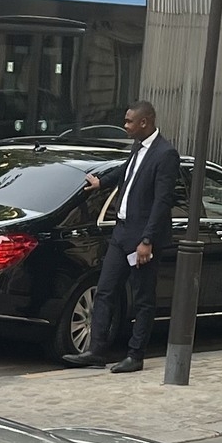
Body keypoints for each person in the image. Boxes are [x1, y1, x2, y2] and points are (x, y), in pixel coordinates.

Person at [65, 100, 179, 373]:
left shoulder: (165, 154)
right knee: (105, 291)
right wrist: (101, 182)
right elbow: (127, 171)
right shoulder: (138, 147)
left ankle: (135, 355)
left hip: (142, 238)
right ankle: (96, 351)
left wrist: (147, 241)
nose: (125, 125)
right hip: (122, 231)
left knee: (142, 298)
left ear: (145, 122)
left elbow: (163, 202)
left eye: (129, 121)